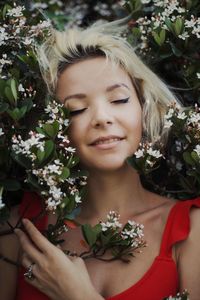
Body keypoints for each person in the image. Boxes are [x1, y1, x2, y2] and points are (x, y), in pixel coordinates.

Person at [0, 20, 200, 300]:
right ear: (53, 129)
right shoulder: (19, 230)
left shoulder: (190, 231)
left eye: (119, 100)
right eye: (76, 109)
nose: (102, 118)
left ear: (143, 108)